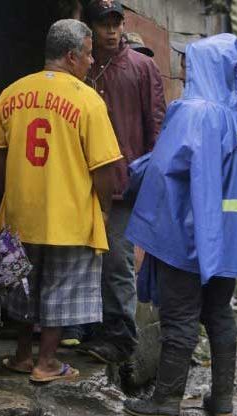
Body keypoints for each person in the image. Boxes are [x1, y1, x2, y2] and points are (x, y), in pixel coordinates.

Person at [123, 35, 237, 416]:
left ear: (202, 67)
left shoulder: (191, 110)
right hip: (230, 240)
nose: (183, 67)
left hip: (187, 234)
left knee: (180, 318)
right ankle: (223, 401)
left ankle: (165, 402)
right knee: (219, 313)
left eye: (187, 61)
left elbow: (165, 171)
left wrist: (137, 188)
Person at [0, 19, 122, 383]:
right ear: (71, 55)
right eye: (89, 54)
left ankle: (20, 355)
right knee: (62, 288)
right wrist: (105, 207)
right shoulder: (87, 100)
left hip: (21, 212)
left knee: (23, 285)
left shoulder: (11, 93)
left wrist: (12, 189)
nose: (92, 62)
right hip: (70, 215)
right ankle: (46, 363)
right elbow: (104, 168)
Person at [66, 0, 166, 364]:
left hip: (124, 183)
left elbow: (157, 126)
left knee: (117, 262)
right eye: (104, 24)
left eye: (116, 23)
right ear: (90, 28)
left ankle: (121, 337)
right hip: (80, 181)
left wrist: (151, 179)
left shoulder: (141, 67)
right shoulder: (83, 69)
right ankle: (84, 328)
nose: (111, 30)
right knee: (81, 257)